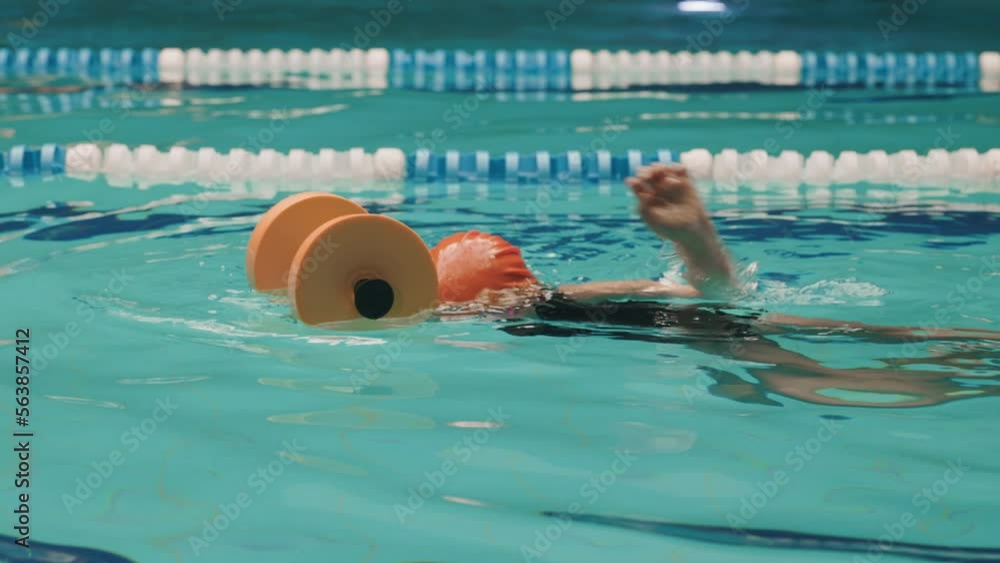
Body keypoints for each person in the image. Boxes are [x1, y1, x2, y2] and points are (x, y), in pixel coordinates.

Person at [429, 163, 1000, 408]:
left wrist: (696, 248)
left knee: (816, 383)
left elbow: (665, 292)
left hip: (705, 329)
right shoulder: (536, 302)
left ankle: (965, 386)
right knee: (890, 333)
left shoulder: (539, 305)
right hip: (707, 323)